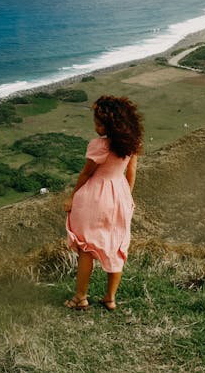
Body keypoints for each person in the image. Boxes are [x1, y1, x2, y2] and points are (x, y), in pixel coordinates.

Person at [64, 95, 144, 311]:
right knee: (117, 246)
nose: (95, 126)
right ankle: (110, 298)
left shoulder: (98, 145)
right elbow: (132, 172)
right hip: (119, 195)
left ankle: (80, 298)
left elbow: (85, 174)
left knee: (86, 247)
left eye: (99, 123)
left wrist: (72, 197)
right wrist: (126, 197)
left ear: (110, 125)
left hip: (94, 197)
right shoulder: (132, 142)